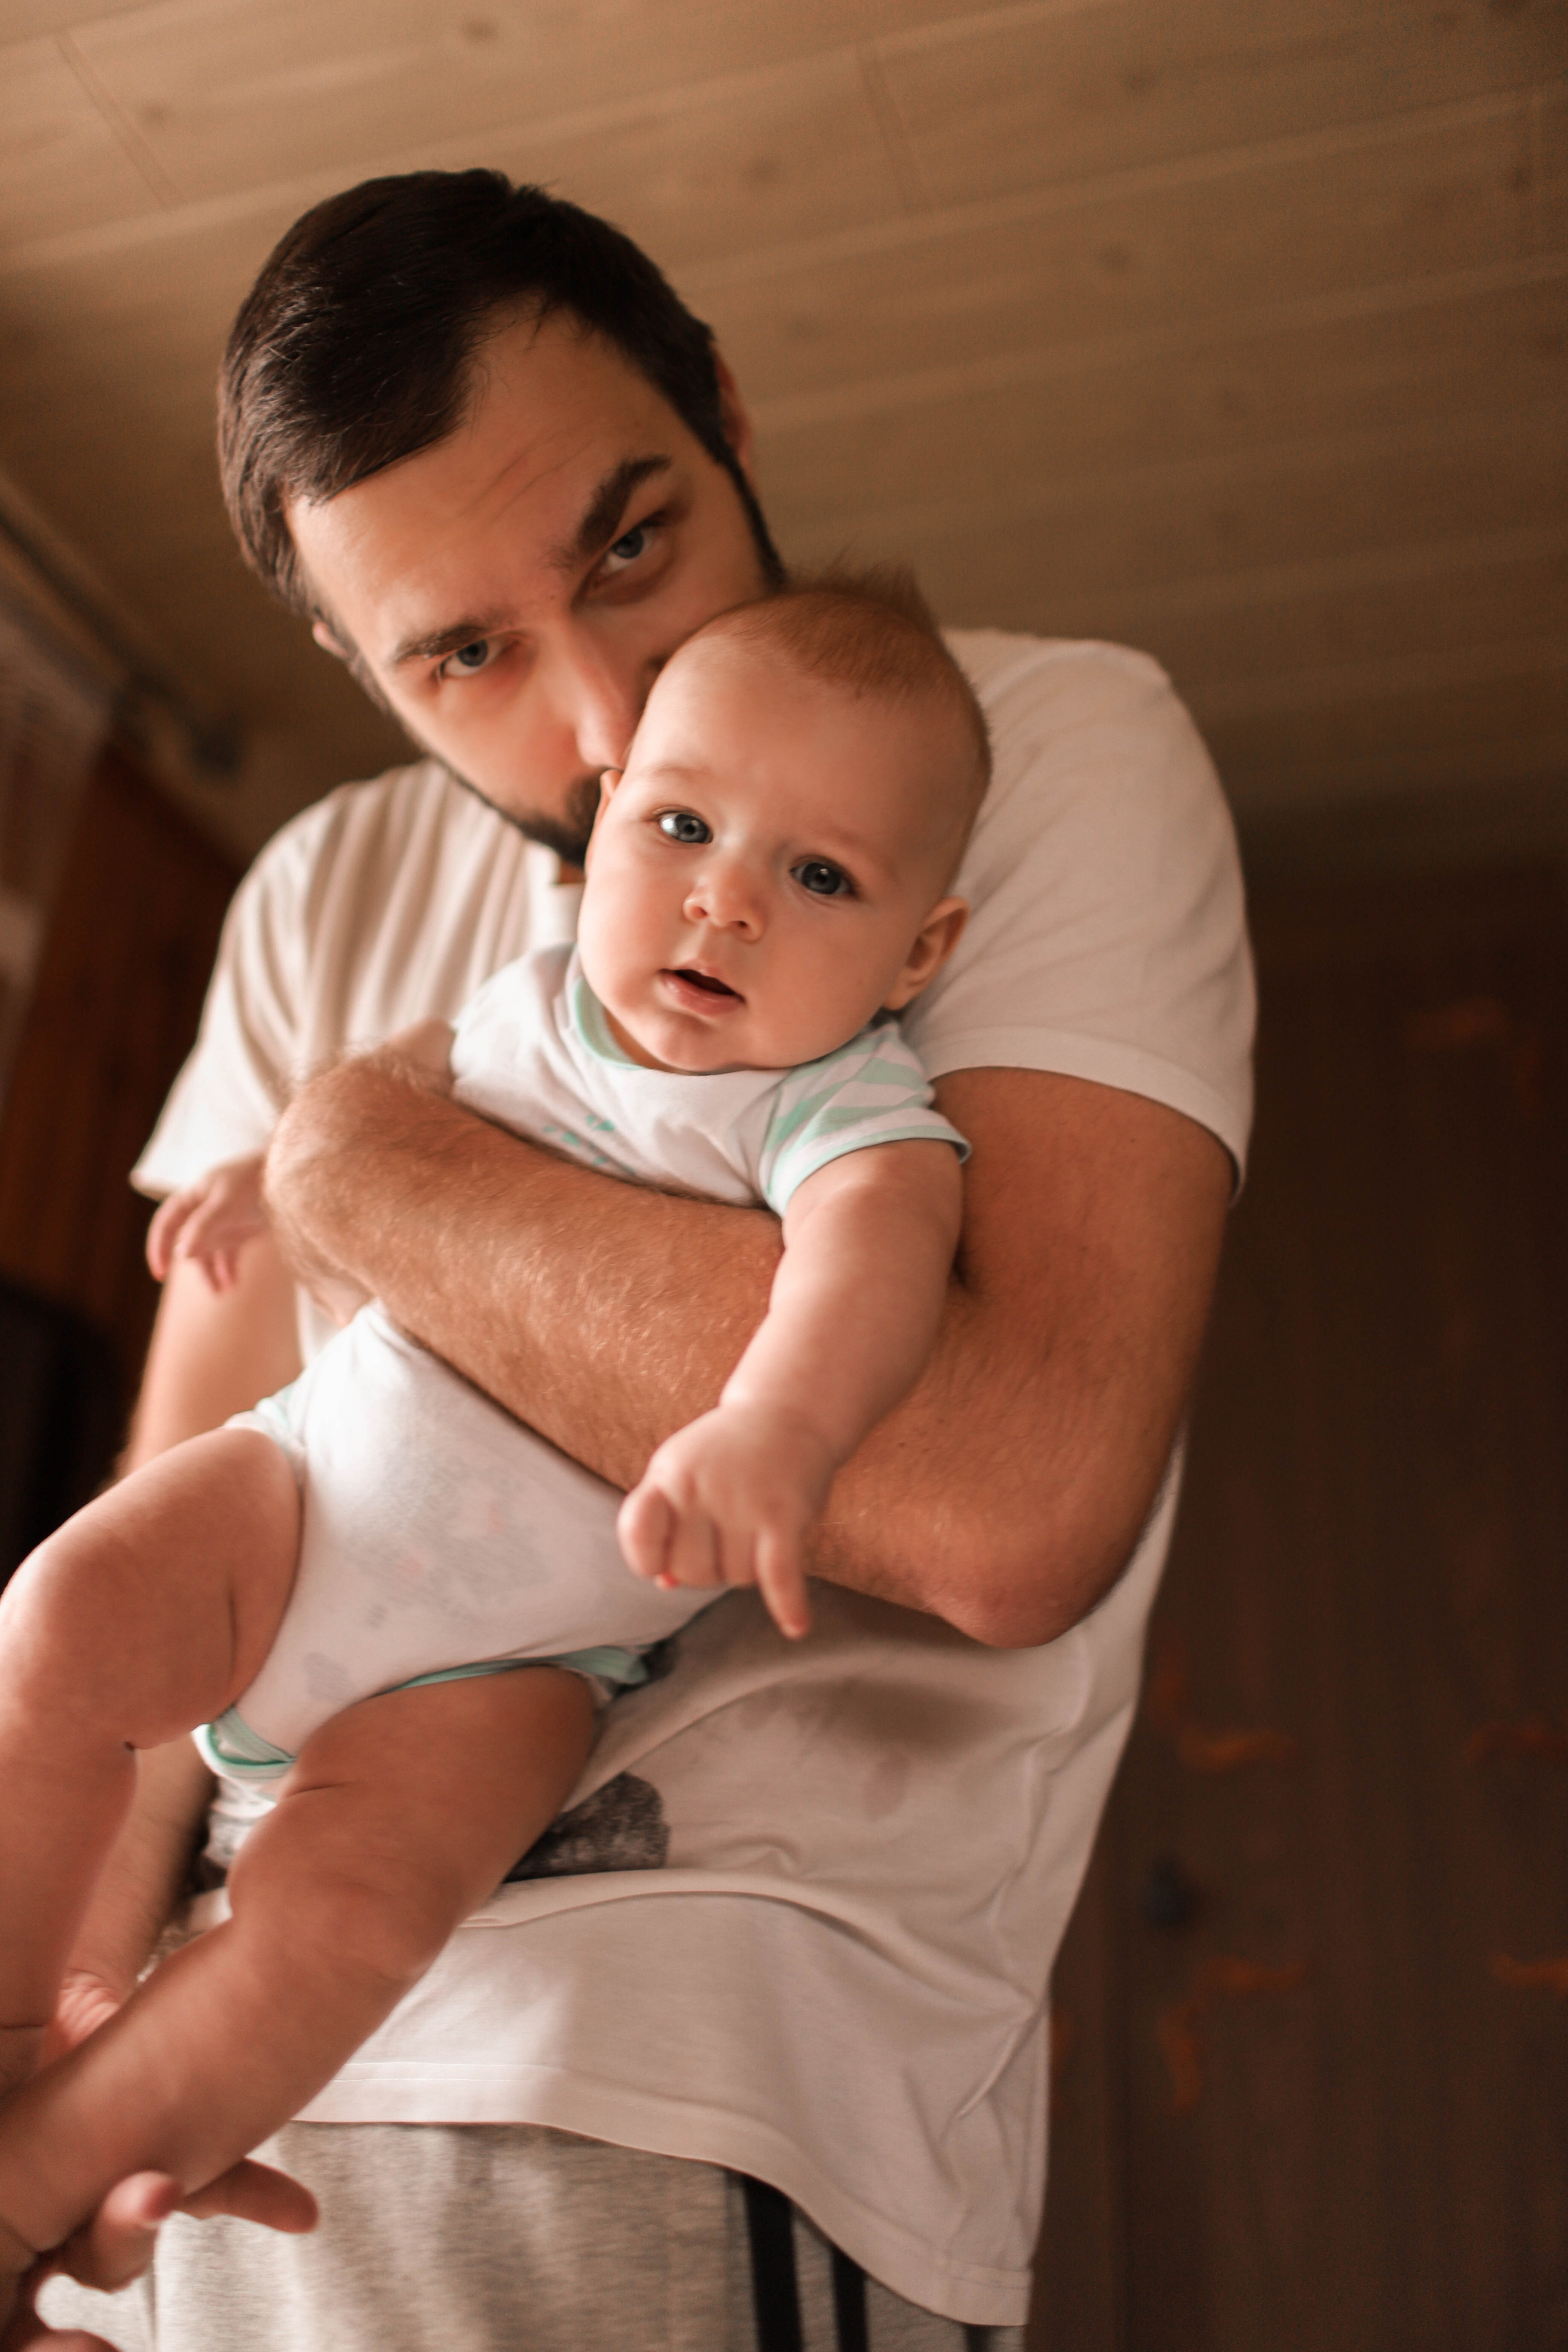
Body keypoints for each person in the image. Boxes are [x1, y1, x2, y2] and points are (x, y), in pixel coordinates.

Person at [29, 171, 1253, 2351]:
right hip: (210, 2106)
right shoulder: (314, 898)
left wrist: (349, 1154)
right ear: (355, 665)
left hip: (679, 2078)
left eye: (626, 545)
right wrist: (70, 2042)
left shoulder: (1029, 748)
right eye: (465, 653)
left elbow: (1006, 1503)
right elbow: (171, 1545)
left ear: (726, 420)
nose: (608, 723)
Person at [0, 573, 983, 2325]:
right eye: (683, 826)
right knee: (57, 1615)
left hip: (509, 1662)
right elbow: (378, 1108)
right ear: (604, 823)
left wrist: (779, 1426)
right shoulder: (526, 999)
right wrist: (269, 1177)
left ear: (920, 954)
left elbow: (875, 1268)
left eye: (822, 877)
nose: (727, 901)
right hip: (299, 1497)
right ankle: (12, 2018)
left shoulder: (839, 1108)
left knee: (349, 1926)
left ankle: (34, 2190)